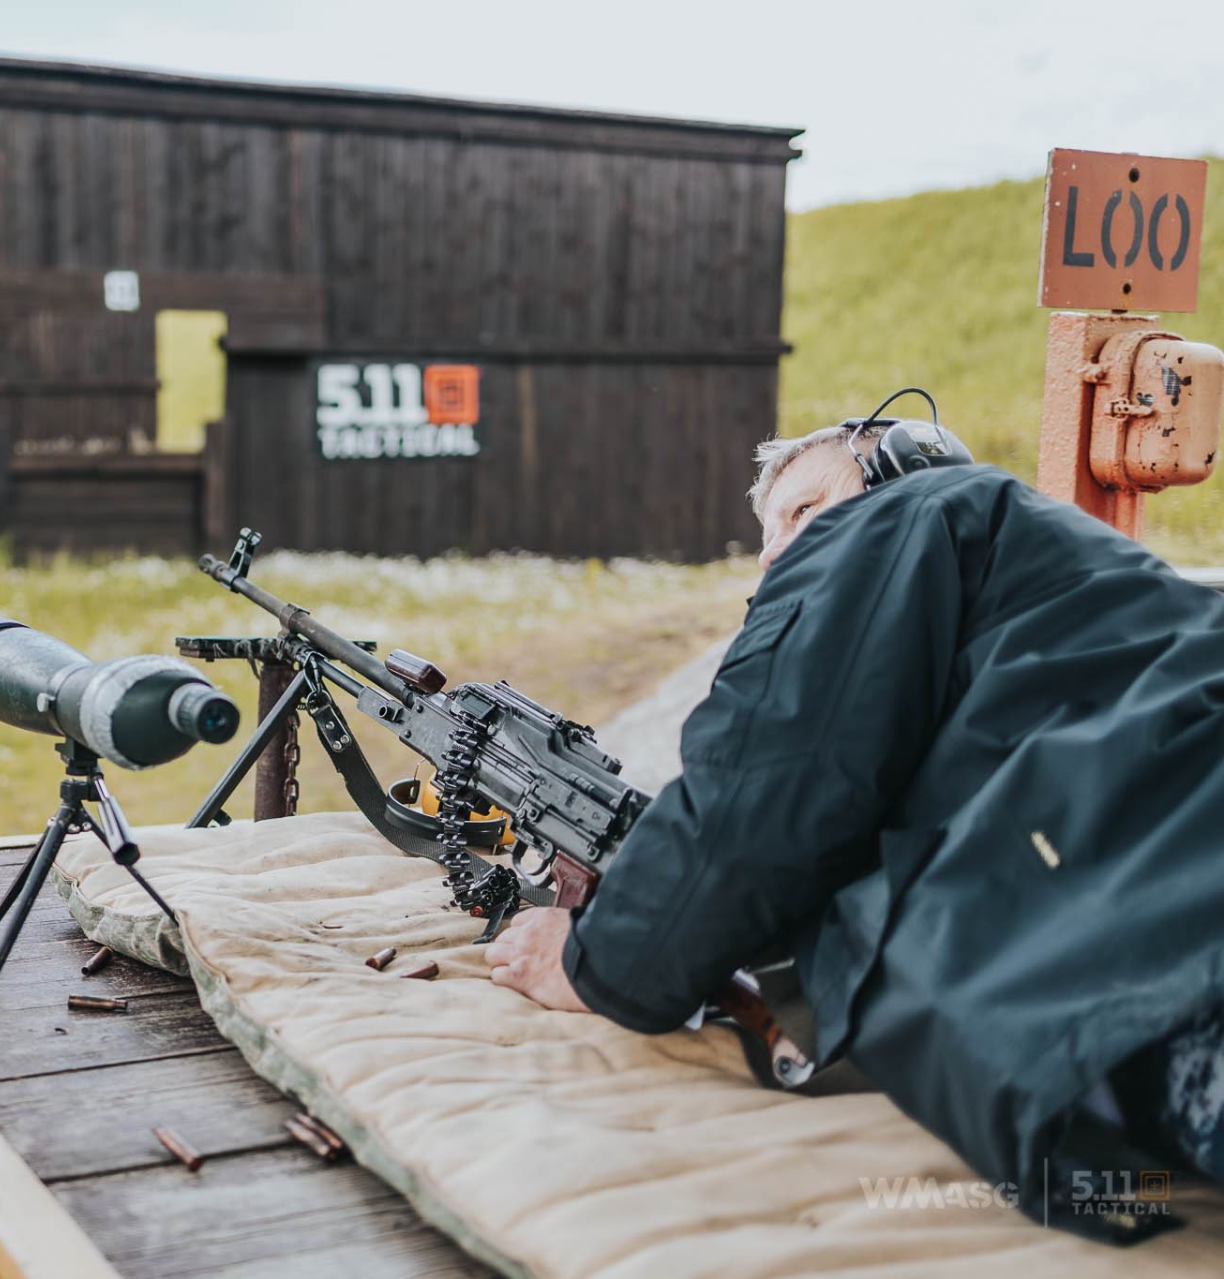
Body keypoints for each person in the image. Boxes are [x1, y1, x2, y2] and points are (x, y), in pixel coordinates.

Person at [484, 418, 1224, 1242]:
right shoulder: (1052, 599)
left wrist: (599, 964)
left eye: (802, 511)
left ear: (895, 468)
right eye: (767, 539)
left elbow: (765, 791)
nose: (778, 555)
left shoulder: (906, 515)